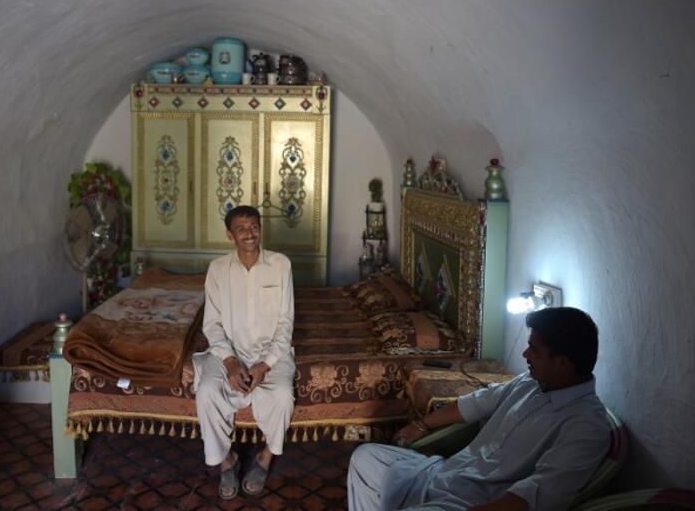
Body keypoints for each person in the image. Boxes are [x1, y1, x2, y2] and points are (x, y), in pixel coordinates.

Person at [347, 307, 611, 511]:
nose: (525, 355)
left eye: (534, 349)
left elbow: (537, 494)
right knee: (366, 459)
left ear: (562, 363)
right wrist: (420, 425)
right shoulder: (528, 383)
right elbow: (472, 404)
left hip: (469, 502)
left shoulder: (586, 426)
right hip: (444, 473)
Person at [192, 205, 295, 499]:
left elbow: (286, 322)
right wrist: (229, 362)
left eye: (254, 227)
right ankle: (227, 461)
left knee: (282, 396)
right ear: (230, 235)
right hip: (229, 351)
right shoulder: (218, 269)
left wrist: (265, 365)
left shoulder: (280, 264)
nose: (249, 234)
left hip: (271, 353)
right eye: (241, 229)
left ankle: (265, 458)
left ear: (260, 229)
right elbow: (212, 324)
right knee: (207, 392)